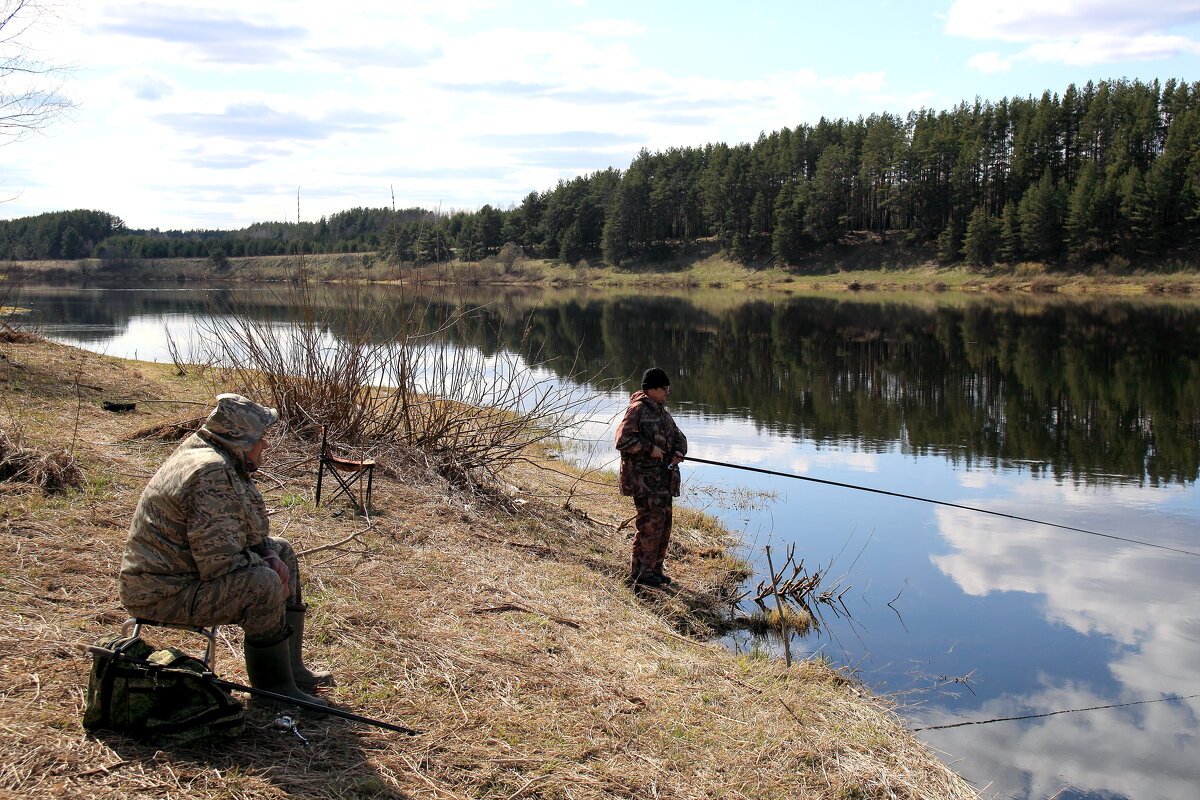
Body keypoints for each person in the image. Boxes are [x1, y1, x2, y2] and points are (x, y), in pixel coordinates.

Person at [119, 393, 333, 714]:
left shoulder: (218, 455)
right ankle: (274, 689)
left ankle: (292, 670)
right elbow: (219, 561)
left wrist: (268, 553)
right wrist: (265, 564)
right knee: (262, 582)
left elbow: (244, 529)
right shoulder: (210, 472)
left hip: (184, 573)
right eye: (261, 439)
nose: (265, 446)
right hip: (161, 591)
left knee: (282, 550)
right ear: (240, 439)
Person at [614, 367, 687, 586]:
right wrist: (650, 449)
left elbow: (679, 436)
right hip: (644, 481)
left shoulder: (662, 411)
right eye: (665, 388)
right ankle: (641, 573)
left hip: (664, 480)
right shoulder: (637, 410)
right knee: (649, 525)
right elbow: (622, 441)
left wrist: (678, 452)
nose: (668, 392)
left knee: (663, 524)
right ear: (652, 389)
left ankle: (656, 570)